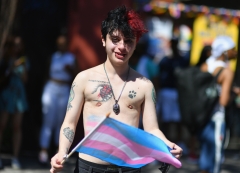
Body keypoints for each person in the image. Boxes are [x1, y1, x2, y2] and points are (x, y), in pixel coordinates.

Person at [50, 6, 183, 173]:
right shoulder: (84, 79)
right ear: (103, 39)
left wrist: (167, 144)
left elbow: (152, 128)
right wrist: (61, 152)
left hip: (128, 168)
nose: (122, 47)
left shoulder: (145, 85)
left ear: (135, 44)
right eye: (115, 39)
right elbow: (69, 122)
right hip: (89, 168)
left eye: (128, 41)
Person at [198, 36, 237, 173]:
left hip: (202, 116)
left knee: (205, 156)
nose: (235, 52)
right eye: (233, 49)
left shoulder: (205, 65)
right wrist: (234, 95)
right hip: (217, 118)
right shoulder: (227, 71)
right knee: (215, 159)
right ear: (225, 52)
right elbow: (223, 101)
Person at [39, 35, 78, 164]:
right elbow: (46, 73)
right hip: (52, 87)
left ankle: (58, 151)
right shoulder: (53, 57)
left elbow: (77, 76)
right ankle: (43, 150)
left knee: (61, 121)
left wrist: (70, 69)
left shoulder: (71, 58)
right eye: (59, 44)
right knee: (48, 119)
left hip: (64, 88)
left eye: (63, 43)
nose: (61, 46)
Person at [0, 36, 28, 169]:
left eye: (19, 45)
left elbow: (25, 79)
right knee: (2, 125)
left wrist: (21, 68)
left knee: (17, 127)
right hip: (6, 94)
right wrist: (12, 67)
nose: (17, 48)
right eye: (15, 45)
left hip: (19, 95)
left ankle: (15, 158)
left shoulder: (24, 61)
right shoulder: (4, 60)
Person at [156, 38, 188, 152]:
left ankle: (179, 143)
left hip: (178, 92)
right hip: (166, 91)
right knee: (166, 120)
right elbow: (159, 76)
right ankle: (165, 143)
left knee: (179, 120)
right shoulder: (164, 60)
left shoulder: (183, 60)